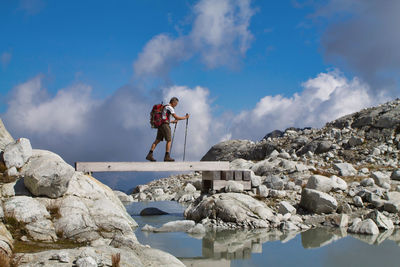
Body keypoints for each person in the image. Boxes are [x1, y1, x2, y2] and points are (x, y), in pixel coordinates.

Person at [146, 97, 190, 162]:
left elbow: (164, 118)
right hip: (165, 125)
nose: (176, 105)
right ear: (173, 102)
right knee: (169, 140)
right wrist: (185, 117)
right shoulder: (170, 107)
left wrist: (172, 121)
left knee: (157, 140)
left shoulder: (165, 106)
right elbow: (176, 116)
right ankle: (167, 156)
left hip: (161, 125)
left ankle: (149, 154)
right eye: (176, 104)